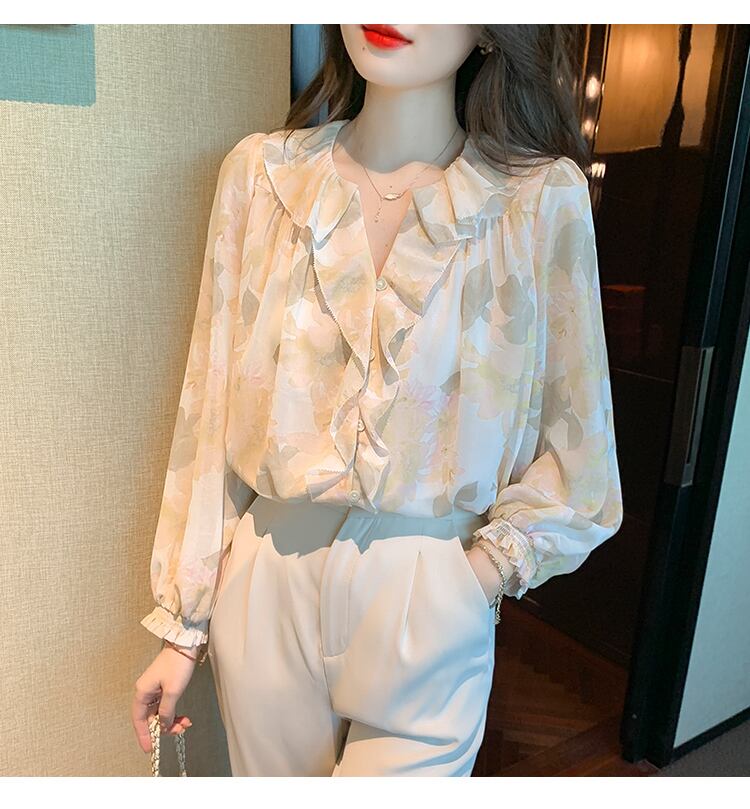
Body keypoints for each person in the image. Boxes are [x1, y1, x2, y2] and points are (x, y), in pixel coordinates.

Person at [131, 23, 623, 776]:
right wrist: (183, 623)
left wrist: (478, 576)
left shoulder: (538, 200)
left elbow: (580, 453)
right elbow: (209, 404)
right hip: (269, 580)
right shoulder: (261, 178)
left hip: (433, 581)